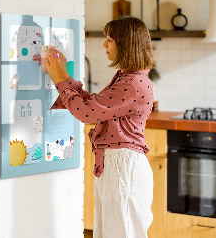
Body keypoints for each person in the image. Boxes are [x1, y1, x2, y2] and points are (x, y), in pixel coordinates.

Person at [44, 16, 155, 238]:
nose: (104, 44)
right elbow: (93, 105)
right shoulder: (128, 78)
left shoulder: (132, 83)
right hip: (117, 165)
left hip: (123, 167)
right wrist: (64, 75)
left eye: (110, 39)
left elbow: (86, 113)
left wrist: (58, 79)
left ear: (126, 43)